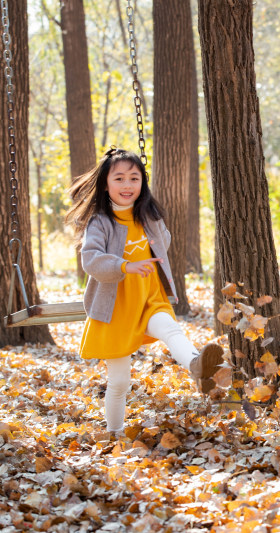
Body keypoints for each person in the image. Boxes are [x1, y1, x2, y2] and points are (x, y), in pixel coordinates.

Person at [65, 147, 224, 434]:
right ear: (105, 184)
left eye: (134, 179)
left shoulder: (147, 216)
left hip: (149, 299)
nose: (127, 185)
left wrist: (152, 218)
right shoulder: (100, 222)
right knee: (119, 382)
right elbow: (91, 260)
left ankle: (197, 366)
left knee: (172, 330)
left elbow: (163, 243)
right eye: (120, 179)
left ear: (143, 183)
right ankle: (114, 434)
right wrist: (125, 266)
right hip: (115, 308)